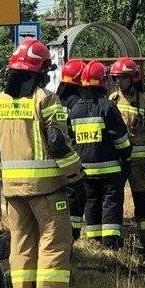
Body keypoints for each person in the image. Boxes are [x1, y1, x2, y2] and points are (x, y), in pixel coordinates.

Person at [0, 38, 82, 288]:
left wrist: (5, 175)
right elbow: (56, 141)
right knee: (54, 240)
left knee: (21, 242)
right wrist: (75, 173)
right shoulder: (46, 99)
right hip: (47, 188)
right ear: (39, 70)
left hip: (13, 190)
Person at [68, 60, 131, 249]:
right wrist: (126, 158)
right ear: (103, 82)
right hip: (110, 169)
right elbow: (121, 140)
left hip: (86, 171)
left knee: (92, 201)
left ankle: (95, 240)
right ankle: (111, 243)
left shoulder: (75, 110)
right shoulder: (108, 107)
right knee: (111, 201)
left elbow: (71, 141)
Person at [109, 57, 145, 259]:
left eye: (122, 78)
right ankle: (113, 243)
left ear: (133, 78)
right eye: (116, 78)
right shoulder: (113, 99)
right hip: (117, 161)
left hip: (139, 163)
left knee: (143, 201)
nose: (119, 82)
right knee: (114, 200)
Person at [57, 59, 87, 240]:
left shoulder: (56, 98)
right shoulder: (77, 102)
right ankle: (73, 233)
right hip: (71, 155)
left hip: (55, 157)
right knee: (77, 194)